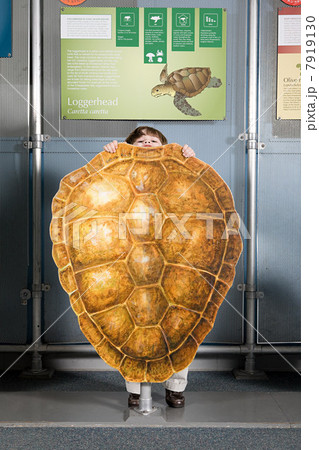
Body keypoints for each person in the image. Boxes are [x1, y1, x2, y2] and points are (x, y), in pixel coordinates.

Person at [104, 127, 195, 408]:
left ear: (164, 146)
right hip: (128, 257)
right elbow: (101, 194)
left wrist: (190, 160)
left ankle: (175, 386)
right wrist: (109, 157)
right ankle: (134, 386)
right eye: (140, 140)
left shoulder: (178, 166)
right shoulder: (117, 167)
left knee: (179, 324)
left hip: (173, 257)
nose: (146, 143)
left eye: (153, 140)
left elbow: (192, 199)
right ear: (129, 145)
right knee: (131, 322)